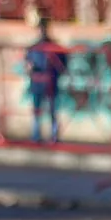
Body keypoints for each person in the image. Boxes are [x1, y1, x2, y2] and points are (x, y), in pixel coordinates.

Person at [23, 15, 70, 144]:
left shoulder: (54, 48)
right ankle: (36, 135)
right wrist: (30, 69)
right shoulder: (34, 48)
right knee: (38, 110)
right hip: (38, 82)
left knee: (51, 110)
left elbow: (63, 65)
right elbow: (27, 65)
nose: (42, 30)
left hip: (49, 82)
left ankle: (52, 135)